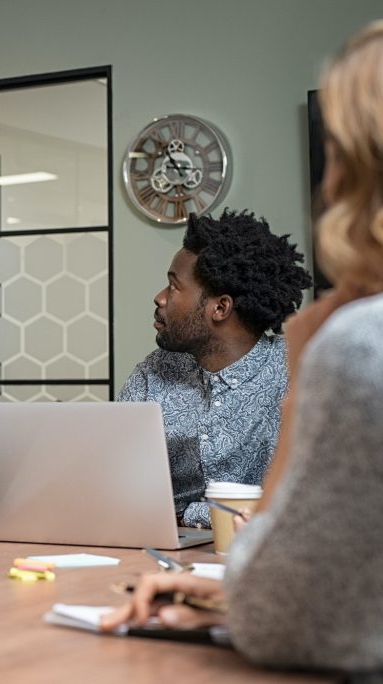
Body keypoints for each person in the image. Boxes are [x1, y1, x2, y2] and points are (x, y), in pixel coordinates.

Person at [103, 18, 383, 680]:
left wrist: (306, 377)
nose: (329, 180)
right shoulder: (157, 371)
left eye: (336, 151)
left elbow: (288, 608)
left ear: (365, 169)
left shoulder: (376, 344)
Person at [118, 210, 312, 527]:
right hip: (161, 554)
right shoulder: (154, 373)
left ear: (220, 308)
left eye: (173, 287)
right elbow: (114, 479)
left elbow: (295, 504)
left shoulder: (295, 374)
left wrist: (185, 513)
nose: (160, 298)